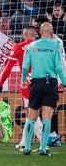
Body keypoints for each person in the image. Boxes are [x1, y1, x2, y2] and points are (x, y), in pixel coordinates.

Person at [21, 22, 66, 156]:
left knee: (31, 116)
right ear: (51, 33)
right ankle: (43, 148)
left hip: (36, 82)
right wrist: (64, 83)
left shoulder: (32, 45)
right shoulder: (56, 46)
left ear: (40, 32)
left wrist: (23, 80)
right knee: (47, 117)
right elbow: (59, 67)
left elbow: (25, 66)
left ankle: (27, 148)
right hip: (50, 82)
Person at [0, 26, 42, 151]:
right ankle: (24, 142)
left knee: (31, 112)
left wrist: (0, 85)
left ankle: (44, 140)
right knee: (35, 112)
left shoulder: (19, 47)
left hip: (27, 83)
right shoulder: (43, 46)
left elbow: (8, 68)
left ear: (25, 34)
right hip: (44, 81)